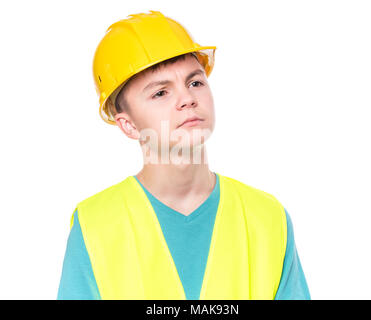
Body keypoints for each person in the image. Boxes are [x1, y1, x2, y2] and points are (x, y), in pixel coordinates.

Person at [57, 10, 310, 300]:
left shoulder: (267, 218)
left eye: (195, 83)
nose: (188, 99)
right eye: (160, 93)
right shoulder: (94, 225)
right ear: (127, 125)